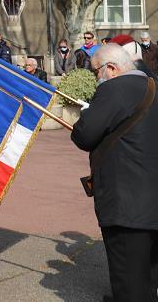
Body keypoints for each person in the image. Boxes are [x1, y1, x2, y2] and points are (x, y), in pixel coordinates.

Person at [71, 44, 158, 302]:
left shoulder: (114, 88)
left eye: (96, 71)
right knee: (150, 272)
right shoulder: (152, 85)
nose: (96, 77)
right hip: (151, 198)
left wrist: (86, 114)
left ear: (111, 68)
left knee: (129, 278)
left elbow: (84, 135)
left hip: (127, 201)